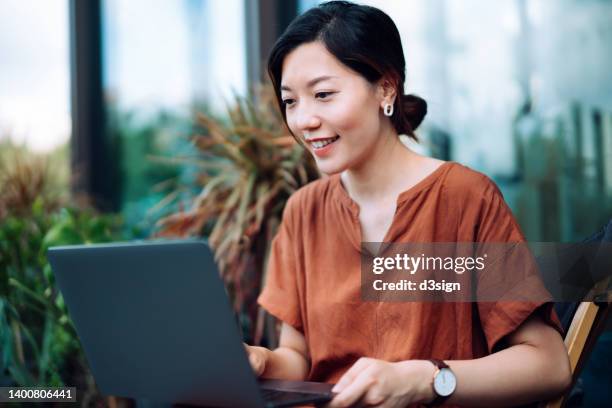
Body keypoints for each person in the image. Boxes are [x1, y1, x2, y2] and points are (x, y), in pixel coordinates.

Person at [244, 1, 571, 407]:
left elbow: (548, 365)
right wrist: (258, 360)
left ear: (385, 87)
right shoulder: (303, 211)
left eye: (324, 94)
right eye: (290, 101)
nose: (304, 119)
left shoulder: (464, 198)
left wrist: (426, 378)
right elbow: (298, 359)